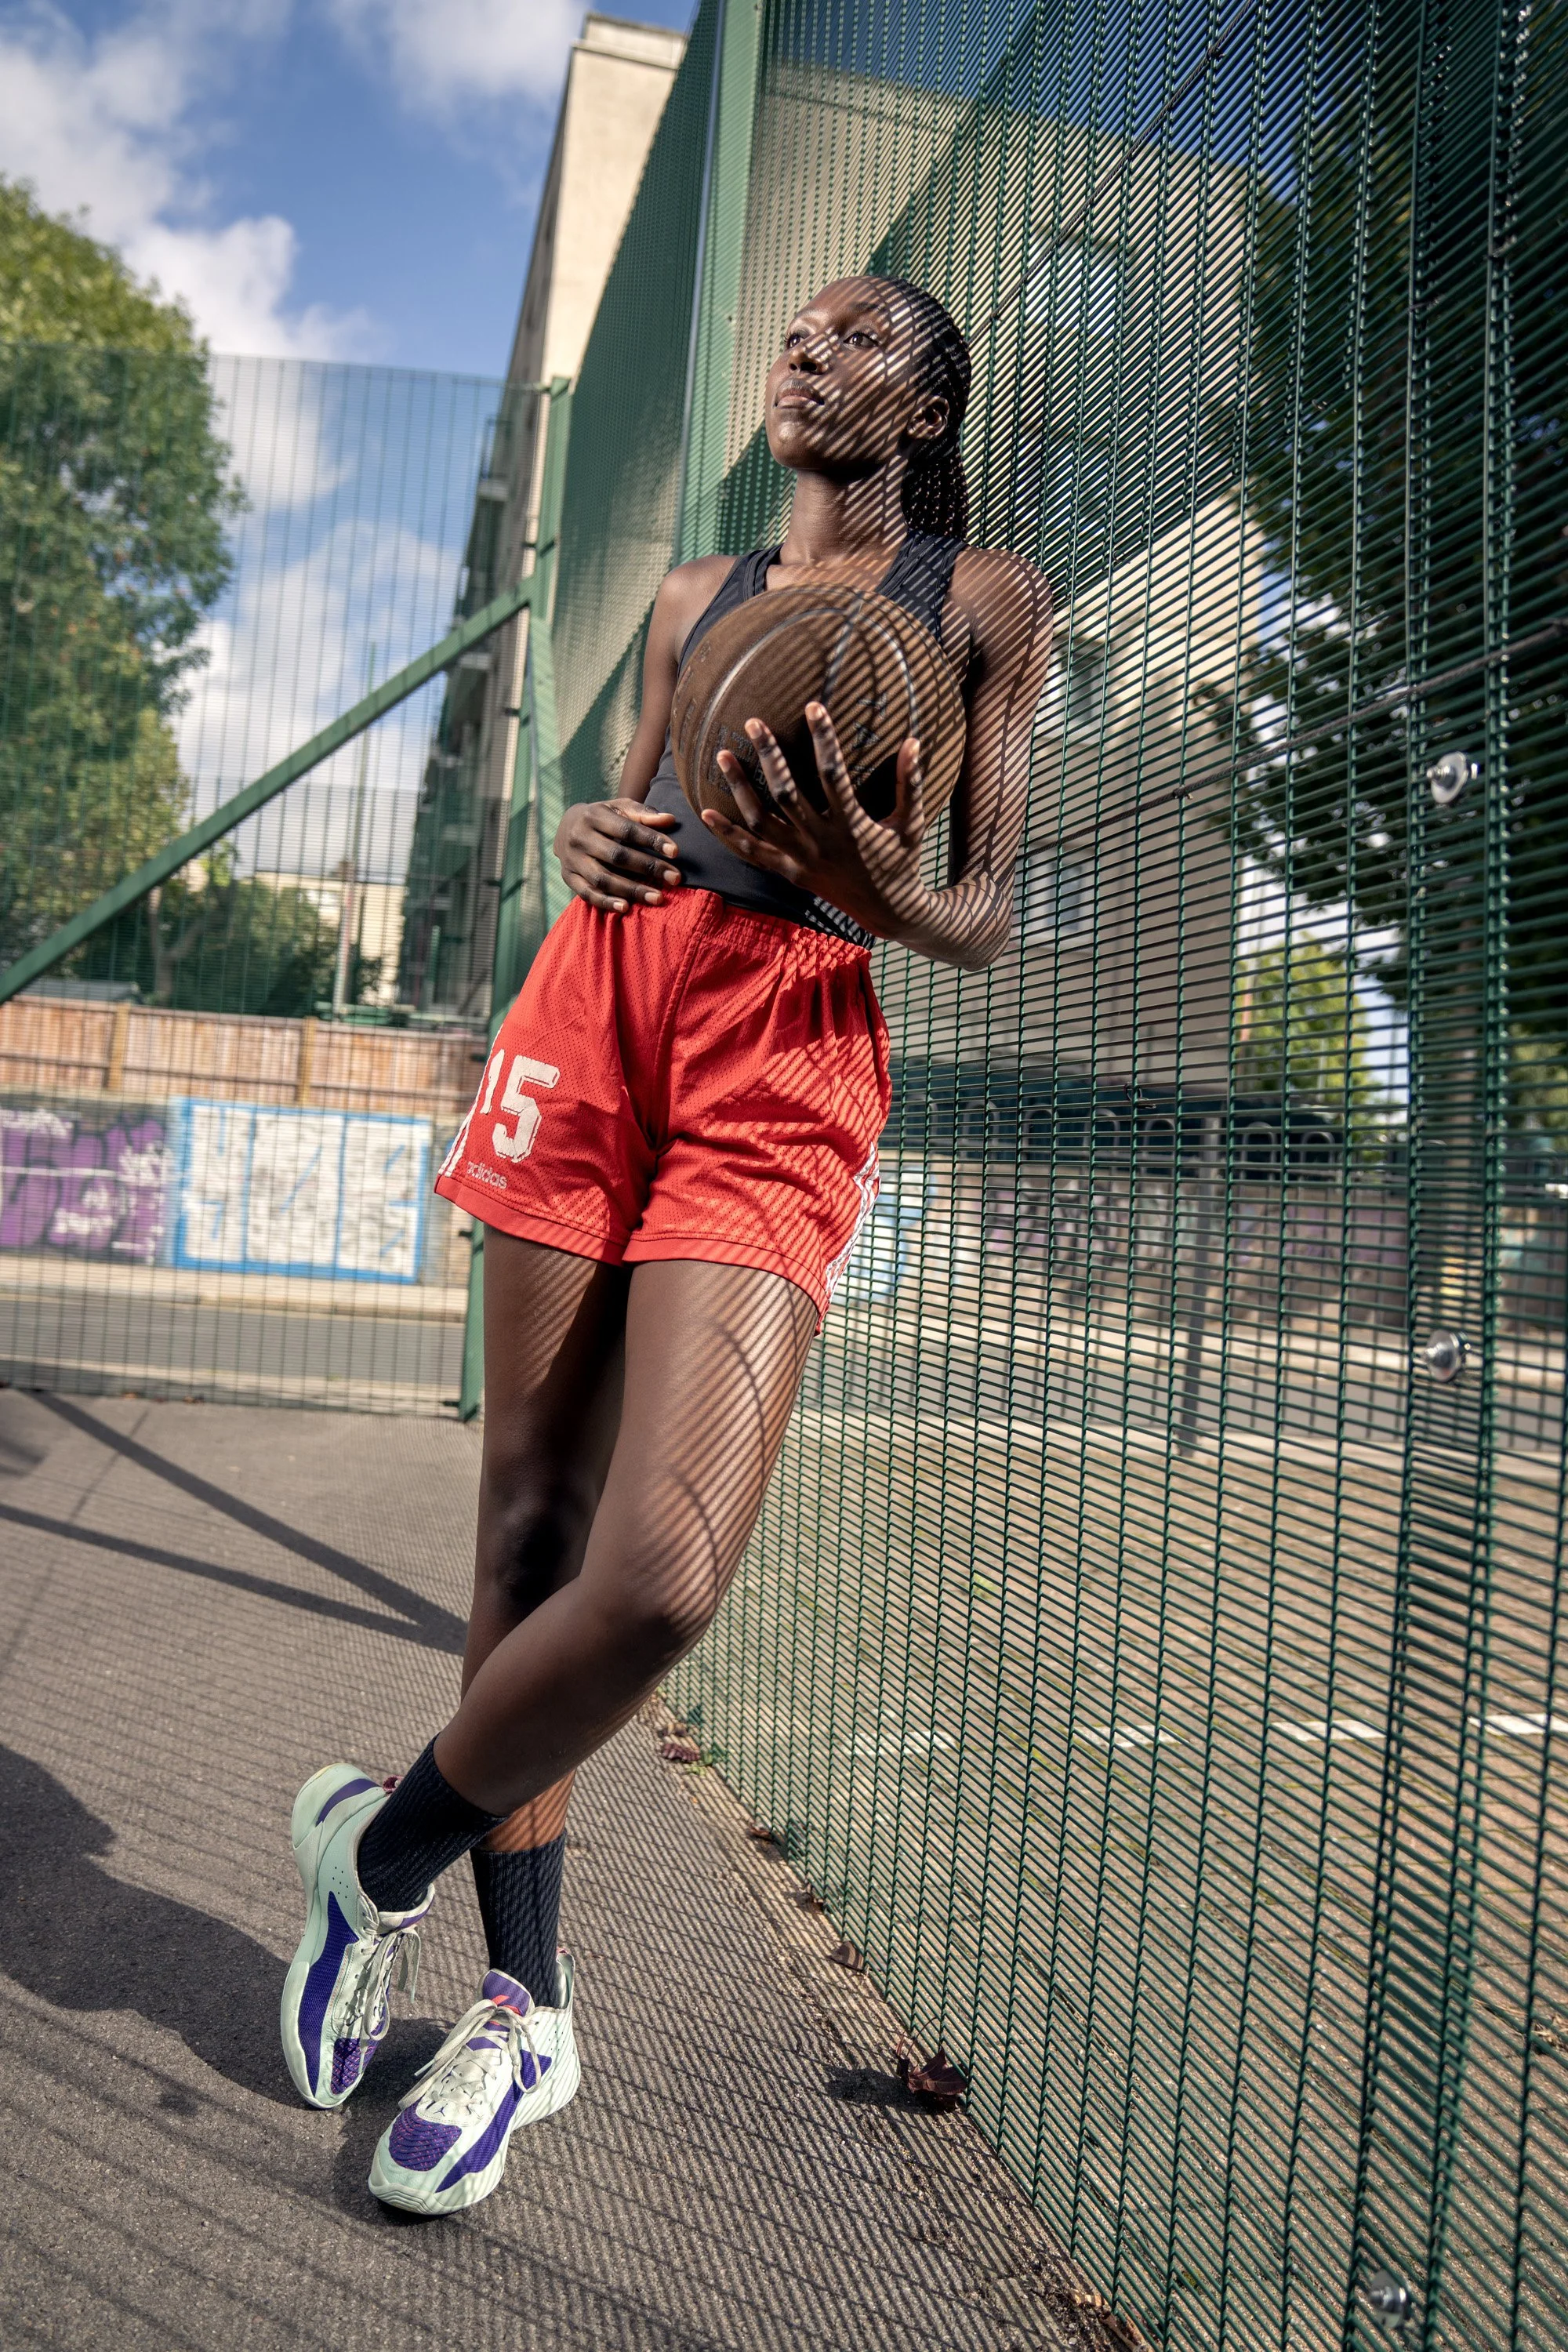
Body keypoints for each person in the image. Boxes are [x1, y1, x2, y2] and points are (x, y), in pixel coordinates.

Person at [279, 274, 1053, 2216]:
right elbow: (619, 809)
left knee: (663, 1573)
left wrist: (872, 877)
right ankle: (522, 2004)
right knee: (526, 1536)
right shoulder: (688, 595)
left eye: (858, 334)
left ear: (929, 398)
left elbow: (980, 917)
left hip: (787, 1037)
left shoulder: (983, 605)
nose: (807, 351)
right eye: (791, 332)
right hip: (597, 1008)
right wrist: (585, 843)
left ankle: (373, 1855)